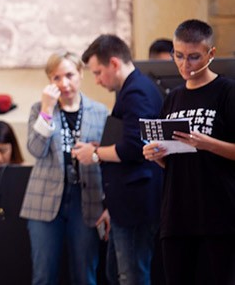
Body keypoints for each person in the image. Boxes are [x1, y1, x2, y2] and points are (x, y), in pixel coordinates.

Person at [142, 19, 235, 284]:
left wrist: (207, 143)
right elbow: (174, 163)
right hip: (177, 215)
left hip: (219, 215)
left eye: (194, 57)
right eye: (179, 56)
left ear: (210, 53)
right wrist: (157, 156)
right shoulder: (173, 98)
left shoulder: (227, 92)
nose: (185, 65)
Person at [74, 35, 163, 285]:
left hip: (136, 204)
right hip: (125, 203)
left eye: (98, 72)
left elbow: (136, 147)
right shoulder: (132, 88)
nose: (97, 80)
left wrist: (94, 154)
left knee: (131, 277)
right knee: (115, 274)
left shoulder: (137, 91)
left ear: (114, 63)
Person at [19, 51, 108, 285]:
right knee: (44, 275)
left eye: (69, 75)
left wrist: (108, 204)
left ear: (80, 73)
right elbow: (36, 150)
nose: (64, 83)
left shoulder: (100, 112)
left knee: (85, 275)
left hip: (87, 199)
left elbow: (107, 160)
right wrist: (47, 111)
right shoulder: (40, 108)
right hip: (45, 200)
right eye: (56, 78)